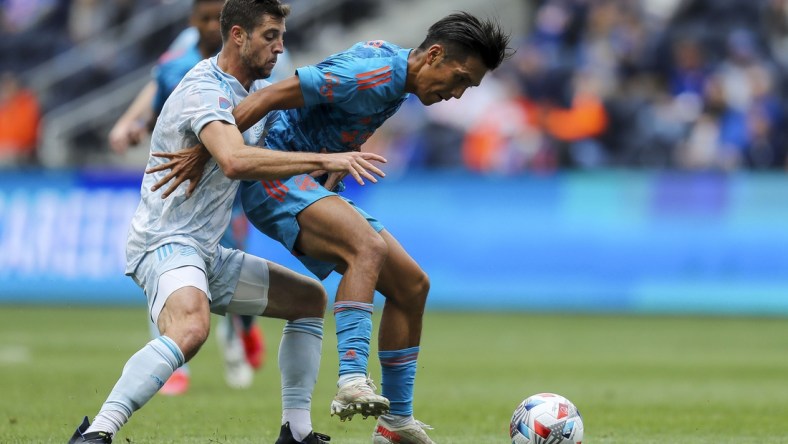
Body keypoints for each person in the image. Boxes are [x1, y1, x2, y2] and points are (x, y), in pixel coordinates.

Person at [149, 11, 512, 444]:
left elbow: (340, 109)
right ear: (434, 55)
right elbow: (269, 99)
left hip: (308, 179)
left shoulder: (397, 79)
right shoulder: (370, 74)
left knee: (413, 286)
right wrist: (204, 153)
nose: (457, 94)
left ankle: (396, 424)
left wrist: (338, 149)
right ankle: (352, 379)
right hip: (275, 178)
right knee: (365, 248)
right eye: (461, 79)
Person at [67, 1, 387, 443]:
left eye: (282, 37)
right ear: (238, 35)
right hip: (166, 242)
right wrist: (325, 158)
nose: (280, 48)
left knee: (309, 300)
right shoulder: (205, 87)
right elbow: (235, 160)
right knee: (192, 328)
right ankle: (97, 433)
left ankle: (296, 433)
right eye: (270, 36)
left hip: (206, 252)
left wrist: (329, 158)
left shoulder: (254, 93)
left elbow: (282, 139)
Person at [107, 0, 270, 395]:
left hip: (227, 190)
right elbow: (160, 97)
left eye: (218, 18)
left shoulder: (256, 50)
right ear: (192, 22)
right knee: (171, 265)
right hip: (182, 190)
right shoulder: (181, 63)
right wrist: (135, 125)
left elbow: (265, 101)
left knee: (233, 271)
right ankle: (171, 357)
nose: (212, 25)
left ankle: (241, 331)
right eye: (204, 18)